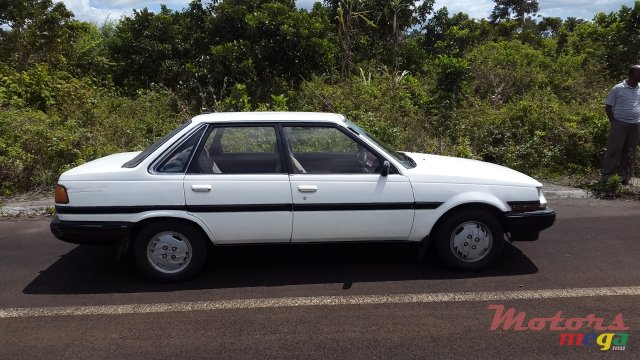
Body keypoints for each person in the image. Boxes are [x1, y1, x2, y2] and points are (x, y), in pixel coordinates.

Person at [601, 65, 640, 185]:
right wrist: (614, 122)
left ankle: (625, 177)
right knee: (614, 149)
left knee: (630, 152)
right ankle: (607, 176)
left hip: (635, 125)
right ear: (631, 74)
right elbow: (608, 107)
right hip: (620, 123)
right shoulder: (618, 88)